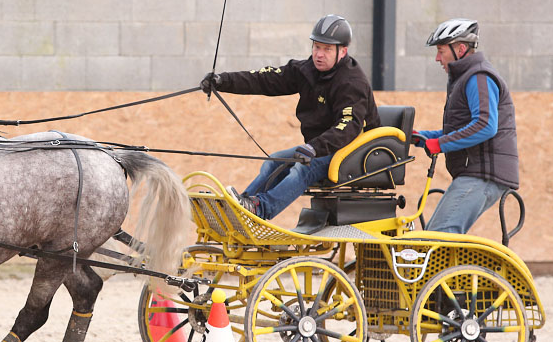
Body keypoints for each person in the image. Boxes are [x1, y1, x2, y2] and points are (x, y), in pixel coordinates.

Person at [200, 14, 380, 220]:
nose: (319, 54)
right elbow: (265, 79)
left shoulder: (352, 82)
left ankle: (259, 209)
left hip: (354, 151)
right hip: (321, 148)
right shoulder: (307, 70)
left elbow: (348, 127)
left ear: (343, 51)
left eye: (327, 49)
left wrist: (314, 148)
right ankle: (242, 207)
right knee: (274, 161)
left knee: (302, 169)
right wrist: (223, 81)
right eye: (317, 47)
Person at [412, 18, 519, 234]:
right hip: (475, 173)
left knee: (438, 237)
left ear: (460, 49)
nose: (437, 58)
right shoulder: (467, 77)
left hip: (483, 175)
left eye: (441, 51)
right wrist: (420, 137)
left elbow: (485, 126)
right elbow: (460, 131)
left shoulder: (478, 76)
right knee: (431, 234)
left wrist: (440, 144)